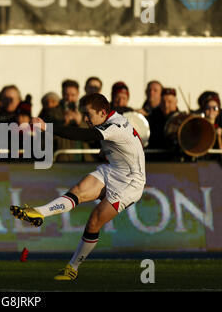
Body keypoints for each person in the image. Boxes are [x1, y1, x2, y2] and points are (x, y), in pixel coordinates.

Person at [11, 93, 146, 281]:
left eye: (88, 114)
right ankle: (39, 213)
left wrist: (46, 127)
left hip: (130, 183)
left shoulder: (114, 126)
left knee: (94, 221)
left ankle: (72, 268)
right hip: (114, 170)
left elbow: (83, 135)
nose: (85, 119)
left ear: (103, 112)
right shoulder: (112, 120)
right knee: (77, 192)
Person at [146, 88, 180, 161]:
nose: (166, 105)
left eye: (169, 102)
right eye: (163, 102)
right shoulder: (152, 118)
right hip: (156, 160)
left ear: (176, 102)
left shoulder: (181, 119)